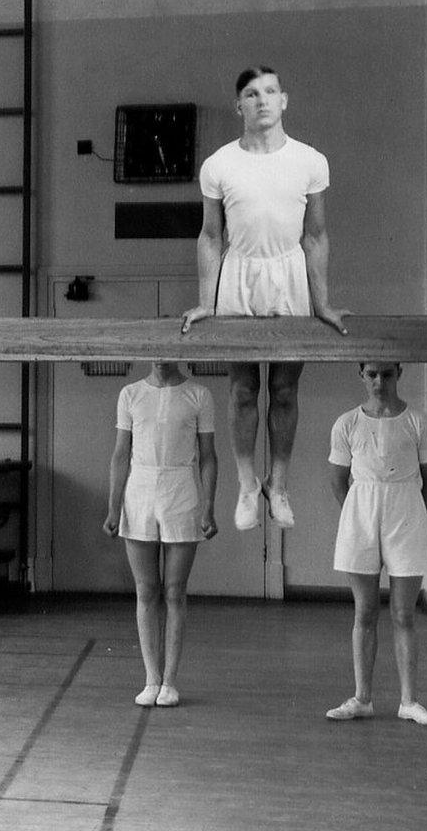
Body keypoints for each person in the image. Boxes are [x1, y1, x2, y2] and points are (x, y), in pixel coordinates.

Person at [180, 67, 346, 532]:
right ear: (240, 106)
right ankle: (248, 484)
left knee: (286, 389)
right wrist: (207, 301)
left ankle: (279, 483)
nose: (262, 101)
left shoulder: (311, 161)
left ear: (284, 100)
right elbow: (211, 237)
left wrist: (323, 303)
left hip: (289, 273)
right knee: (243, 389)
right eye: (251, 94)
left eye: (271, 91)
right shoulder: (219, 165)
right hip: (240, 275)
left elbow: (315, 236)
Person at [324, 362, 427, 726]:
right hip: (361, 512)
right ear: (362, 375)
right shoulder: (347, 423)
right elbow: (339, 480)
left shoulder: (420, 422)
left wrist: (408, 516)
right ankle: (363, 698)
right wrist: (360, 514)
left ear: (399, 374)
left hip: (405, 510)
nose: (379, 382)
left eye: (386, 374)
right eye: (372, 374)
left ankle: (409, 700)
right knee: (365, 612)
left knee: (404, 614)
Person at [102, 361, 219, 708]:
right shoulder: (131, 394)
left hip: (181, 489)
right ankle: (151, 677)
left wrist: (209, 506)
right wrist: (113, 506)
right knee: (146, 589)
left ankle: (170, 681)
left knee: (174, 590)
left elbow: (209, 457)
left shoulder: (199, 395)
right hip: (140, 490)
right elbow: (121, 454)